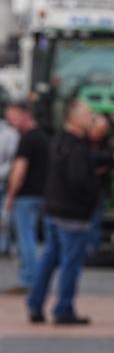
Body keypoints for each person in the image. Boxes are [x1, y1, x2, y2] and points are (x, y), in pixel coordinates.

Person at [27, 100, 98, 324]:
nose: (92, 119)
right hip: (72, 212)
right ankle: (63, 308)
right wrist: (92, 198)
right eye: (88, 114)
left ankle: (35, 303)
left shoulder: (58, 140)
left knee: (49, 259)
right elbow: (79, 179)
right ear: (74, 118)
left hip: (55, 208)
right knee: (70, 263)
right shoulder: (77, 146)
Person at [3, 101, 49, 293]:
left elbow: (19, 170)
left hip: (26, 195)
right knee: (31, 237)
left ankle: (28, 280)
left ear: (25, 115)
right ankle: (32, 278)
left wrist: (11, 194)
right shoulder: (43, 138)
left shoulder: (27, 139)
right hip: (41, 194)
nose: (10, 122)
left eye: (13, 117)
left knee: (25, 238)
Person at [87, 114, 114, 253]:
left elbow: (113, 159)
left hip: (100, 187)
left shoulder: (106, 142)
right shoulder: (84, 142)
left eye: (103, 130)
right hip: (87, 188)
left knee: (96, 220)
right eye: (99, 130)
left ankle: (93, 250)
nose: (101, 133)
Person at [0, 117, 19, 256]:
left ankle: (4, 246)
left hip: (4, 181)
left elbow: (14, 159)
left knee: (5, 215)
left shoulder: (9, 133)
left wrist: (1, 172)